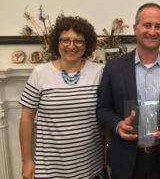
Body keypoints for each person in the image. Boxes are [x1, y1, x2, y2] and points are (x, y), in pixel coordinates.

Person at [96, 3, 160, 179]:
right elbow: (103, 109)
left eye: (158, 26)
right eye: (147, 25)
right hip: (125, 161)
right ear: (135, 29)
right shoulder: (113, 68)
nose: (152, 31)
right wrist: (118, 125)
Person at [19, 16, 107, 179]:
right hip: (49, 170)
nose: (71, 46)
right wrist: (27, 161)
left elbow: (104, 118)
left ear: (86, 44)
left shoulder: (98, 73)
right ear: (57, 43)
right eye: (65, 40)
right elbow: (26, 119)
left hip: (91, 169)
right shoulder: (40, 73)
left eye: (78, 41)